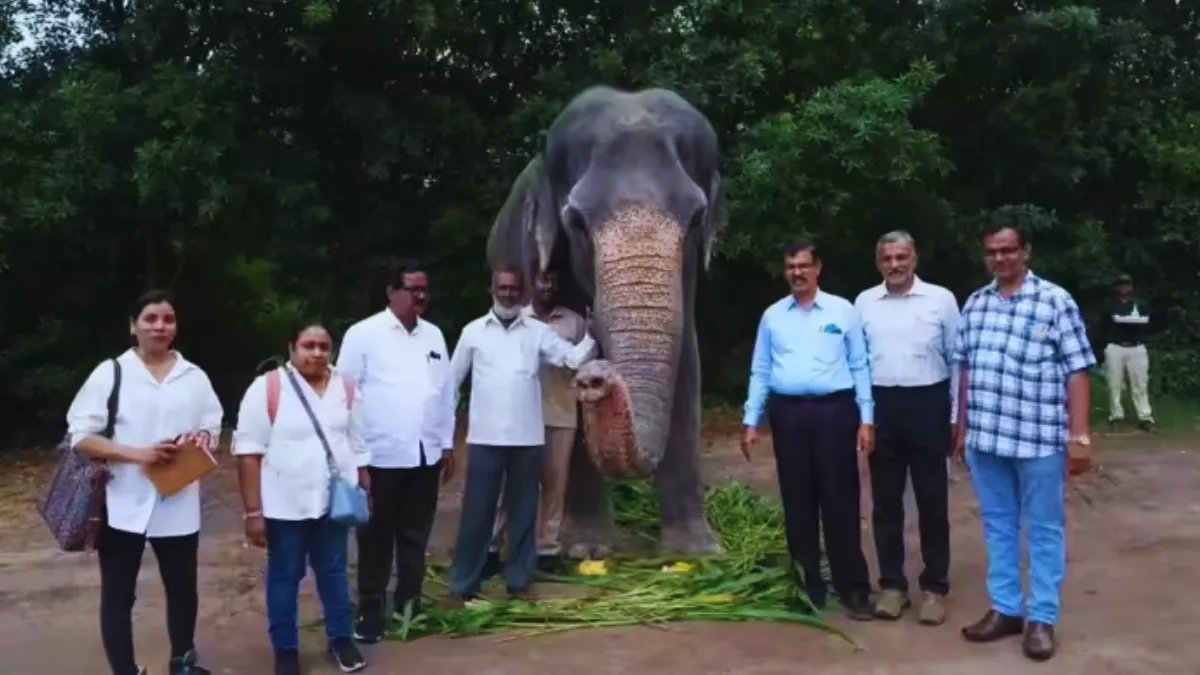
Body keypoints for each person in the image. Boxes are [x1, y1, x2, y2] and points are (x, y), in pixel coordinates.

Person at [952, 225, 1095, 661]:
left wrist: (1080, 437)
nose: (1001, 258)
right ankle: (1007, 609)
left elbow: (1078, 371)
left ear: (1025, 251)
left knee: (1045, 527)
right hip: (987, 439)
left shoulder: (1055, 301)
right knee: (998, 524)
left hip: (1038, 441)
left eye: (1008, 250)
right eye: (993, 251)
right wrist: (961, 428)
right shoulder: (976, 304)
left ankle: (1042, 618)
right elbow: (966, 369)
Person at [66, 290, 224, 675]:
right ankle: (125, 669)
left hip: (179, 498)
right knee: (119, 595)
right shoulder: (112, 372)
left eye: (167, 319)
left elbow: (212, 425)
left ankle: (182, 662)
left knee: (183, 590)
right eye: (150, 318)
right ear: (133, 326)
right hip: (123, 501)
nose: (160, 326)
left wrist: (202, 438)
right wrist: (139, 454)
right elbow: (81, 437)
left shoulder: (194, 376)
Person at [741, 243, 875, 620]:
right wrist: (752, 420)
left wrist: (867, 418)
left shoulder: (841, 310)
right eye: (790, 267)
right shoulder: (773, 317)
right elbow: (761, 369)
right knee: (798, 501)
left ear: (818, 268)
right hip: (788, 415)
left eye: (803, 266)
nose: (797, 273)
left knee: (840, 499)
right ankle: (806, 585)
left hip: (835, 412)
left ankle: (854, 588)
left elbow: (860, 365)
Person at [448, 267, 597, 601]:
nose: (509, 293)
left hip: (527, 440)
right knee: (478, 515)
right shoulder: (473, 332)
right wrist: (444, 437)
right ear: (492, 289)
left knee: (524, 515)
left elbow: (571, 359)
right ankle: (463, 585)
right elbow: (451, 384)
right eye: (503, 287)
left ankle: (518, 582)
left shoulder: (536, 332)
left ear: (523, 291)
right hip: (485, 439)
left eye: (515, 288)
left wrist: (590, 335)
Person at [232, 323, 370, 675]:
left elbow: (358, 445)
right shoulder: (269, 387)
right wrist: (253, 512)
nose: (317, 353)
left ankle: (341, 639)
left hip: (333, 502)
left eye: (324, 346)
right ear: (291, 348)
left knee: (334, 572)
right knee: (284, 576)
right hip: (284, 504)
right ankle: (286, 650)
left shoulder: (346, 388)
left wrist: (363, 489)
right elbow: (248, 452)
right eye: (308, 345)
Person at [336, 260, 457, 643]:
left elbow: (445, 394)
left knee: (415, 535)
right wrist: (357, 459)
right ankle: (370, 610)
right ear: (391, 291)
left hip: (425, 455)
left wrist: (446, 444)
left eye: (425, 289)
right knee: (375, 536)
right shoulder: (363, 334)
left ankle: (409, 605)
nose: (420, 296)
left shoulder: (434, 335)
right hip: (380, 456)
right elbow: (345, 397)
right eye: (412, 289)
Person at [854, 231, 959, 624]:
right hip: (883, 406)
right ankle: (893, 585)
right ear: (878, 263)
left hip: (928, 403)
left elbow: (957, 360)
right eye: (887, 259)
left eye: (901, 257)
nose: (895, 265)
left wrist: (953, 417)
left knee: (933, 501)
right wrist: (864, 417)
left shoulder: (941, 300)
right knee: (885, 503)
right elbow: (858, 363)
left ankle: (934, 587)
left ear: (914, 258)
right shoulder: (864, 302)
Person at [488, 270, 589, 575]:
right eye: (542, 280)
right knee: (509, 485)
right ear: (530, 285)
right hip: (519, 416)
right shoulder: (515, 320)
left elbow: (583, 361)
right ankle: (492, 546)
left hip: (561, 414)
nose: (548, 286)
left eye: (553, 281)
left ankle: (547, 548)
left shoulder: (575, 322)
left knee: (554, 486)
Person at [1103, 273, 1155, 431]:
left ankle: (1145, 417)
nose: (1124, 288)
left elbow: (1149, 324)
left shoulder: (1141, 305)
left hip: (1137, 346)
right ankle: (1116, 416)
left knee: (1140, 383)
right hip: (1116, 346)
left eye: (1127, 285)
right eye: (1121, 285)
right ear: (1116, 287)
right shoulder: (1110, 306)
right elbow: (1103, 327)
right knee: (1114, 383)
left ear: (1132, 287)